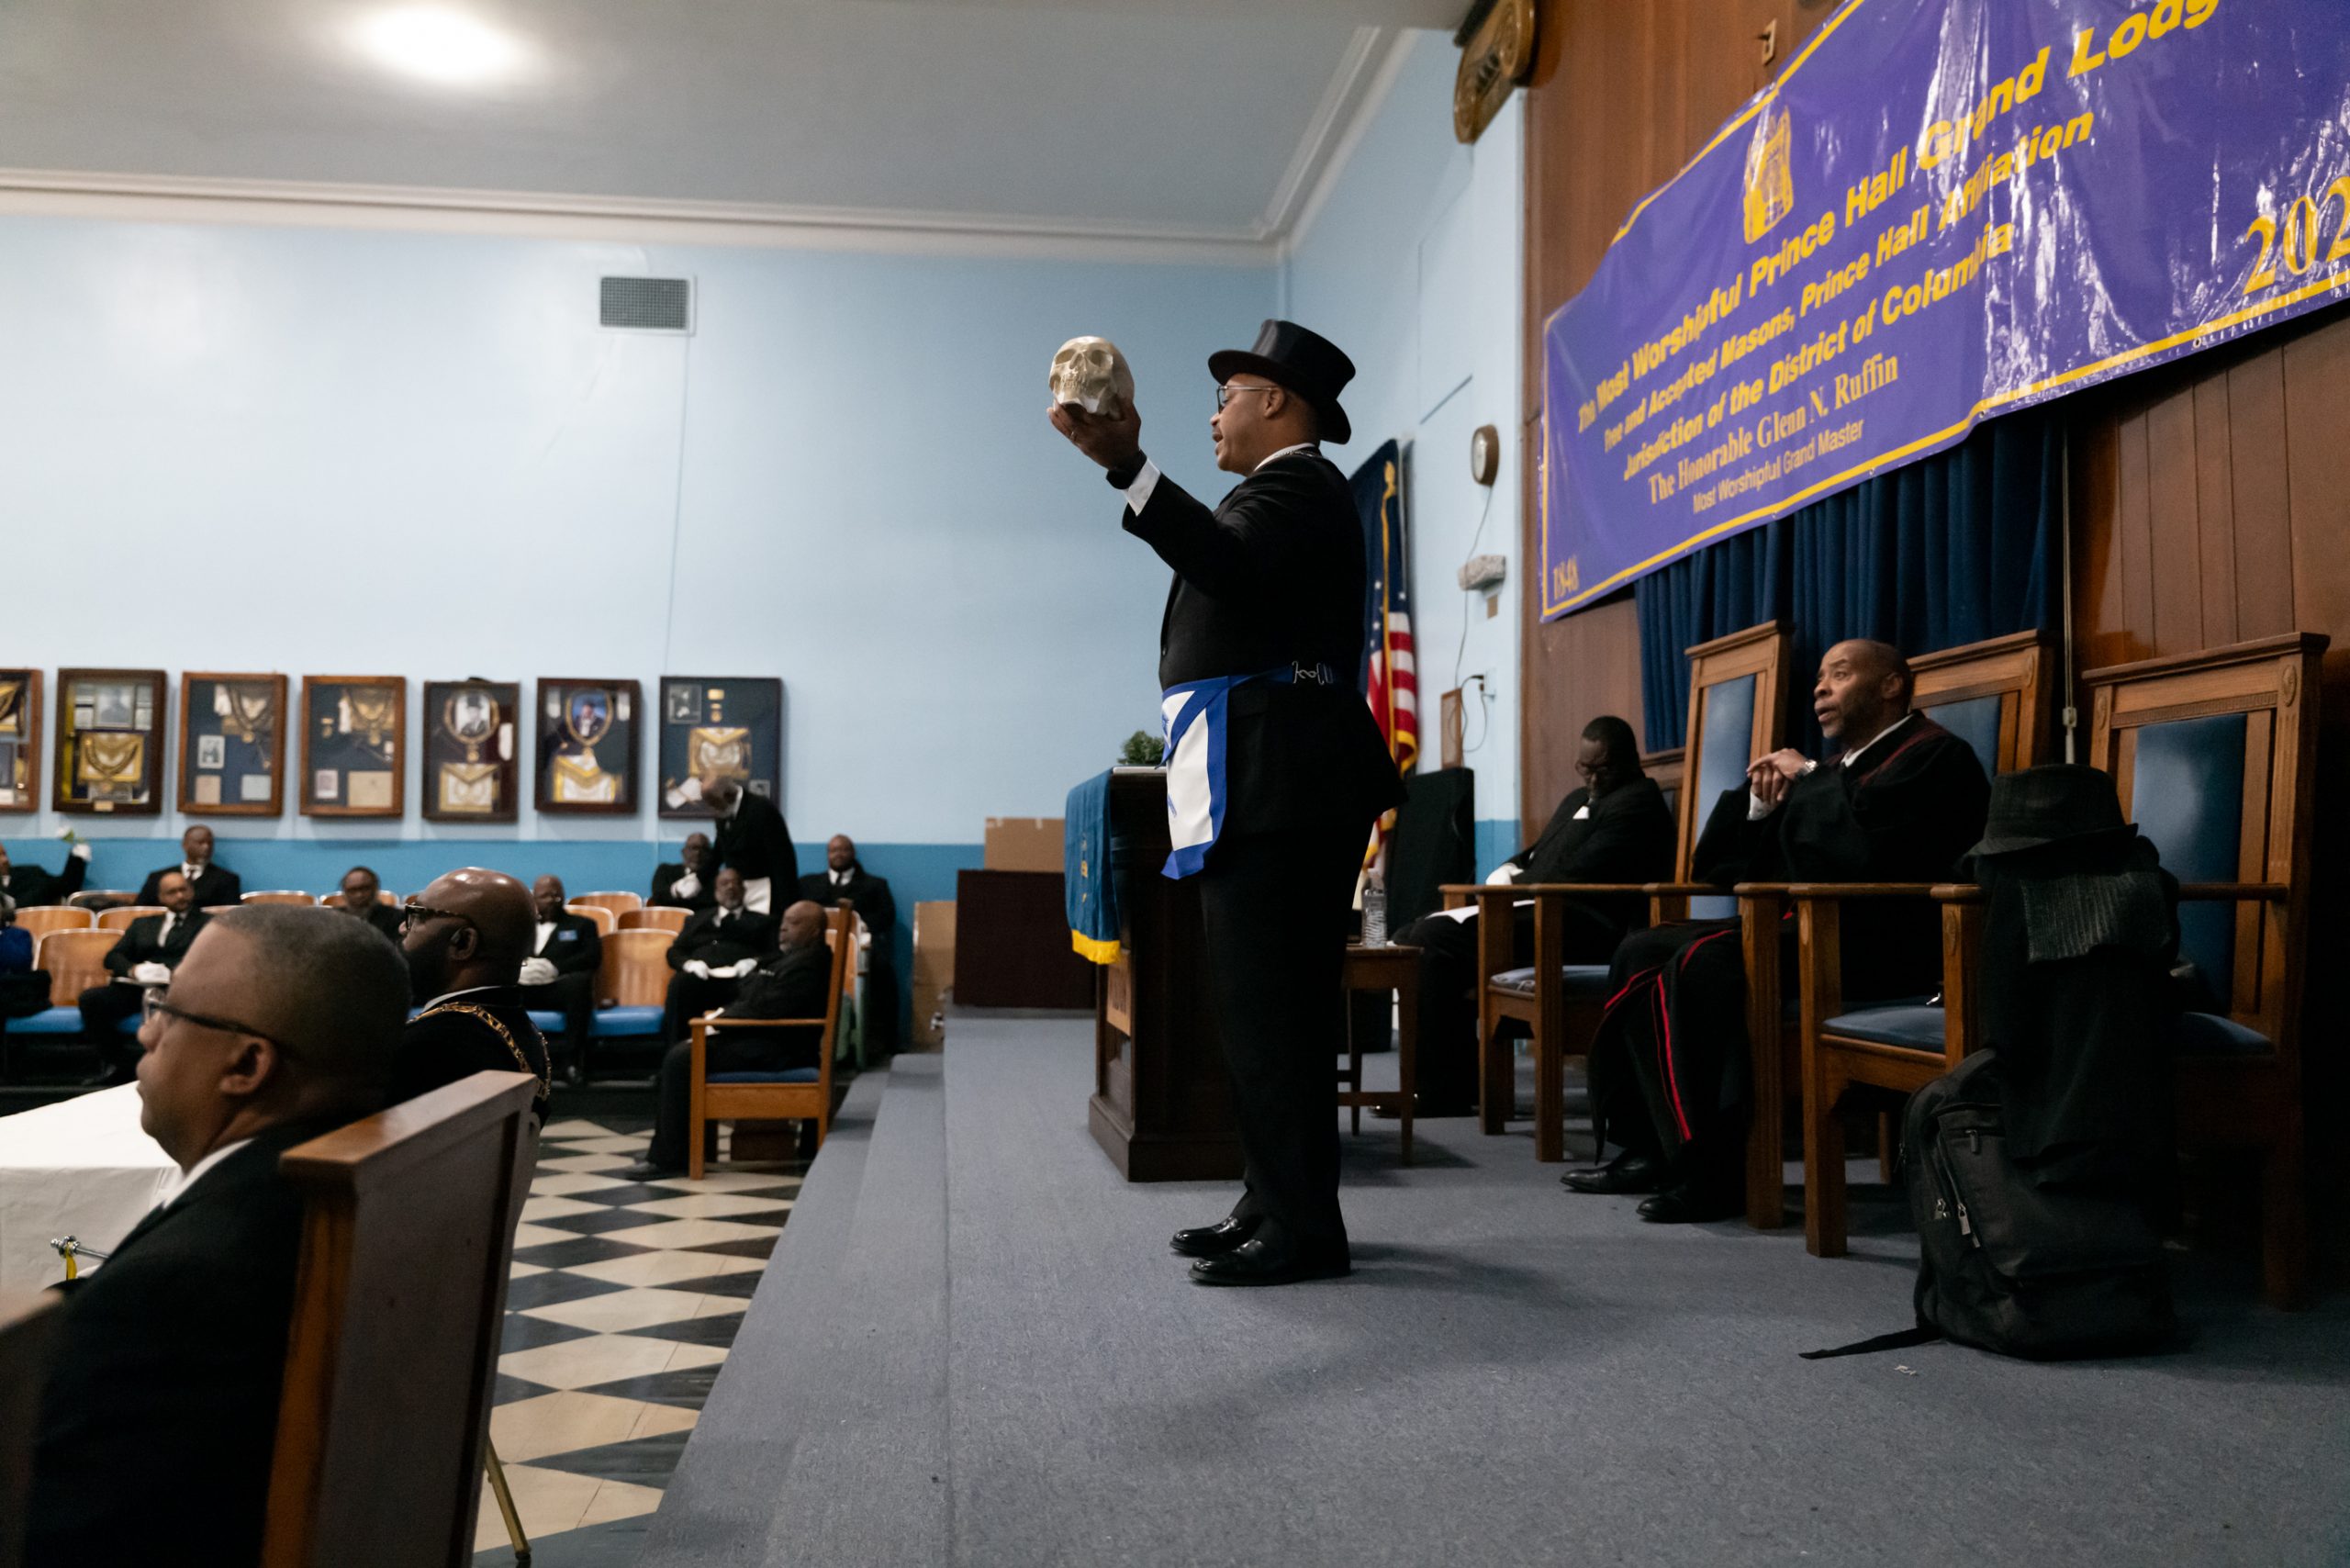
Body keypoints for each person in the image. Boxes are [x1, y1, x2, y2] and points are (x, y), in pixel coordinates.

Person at [1051, 318, 1404, 1286]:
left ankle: (1303, 1227)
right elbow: (1226, 567)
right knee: (1260, 1013)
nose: (1213, 417)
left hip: (1283, 781)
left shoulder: (1300, 485)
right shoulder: (1272, 494)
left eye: (1226, 398)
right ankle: (1273, 1199)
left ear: (1275, 402)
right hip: (1263, 777)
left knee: (1273, 1012)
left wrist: (1130, 466)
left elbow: (1225, 564)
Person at [25, 903, 408, 1568]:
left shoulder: (181, 1285)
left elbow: (68, 1534)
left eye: (168, 1011)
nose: (146, 1032)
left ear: (247, 1065)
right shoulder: (346, 1186)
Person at [1565, 639, 1991, 1222]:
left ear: (1892, 685)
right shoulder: (1837, 769)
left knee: (1702, 966)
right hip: (1813, 931)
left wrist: (1808, 776)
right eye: (1819, 678)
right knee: (1642, 948)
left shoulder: (1937, 757)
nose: (1820, 688)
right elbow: (1731, 869)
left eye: (1839, 675)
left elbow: (1862, 858)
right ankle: (1650, 1146)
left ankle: (1715, 1170)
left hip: (1883, 944)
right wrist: (1761, 809)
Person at [1391, 716, 1675, 1114]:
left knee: (1433, 940)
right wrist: (1509, 868)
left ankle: (1441, 1089)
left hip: (1584, 926)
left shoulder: (1637, 803)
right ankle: (1454, 1082)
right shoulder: (1578, 799)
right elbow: (1537, 853)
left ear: (1631, 761)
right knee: (1413, 934)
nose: (1593, 779)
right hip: (1542, 910)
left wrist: (1516, 882)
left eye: (1604, 770)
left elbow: (1578, 875)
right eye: (1585, 768)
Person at [627, 899, 834, 1179]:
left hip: (782, 1048)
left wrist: (719, 1022)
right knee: (683, 1053)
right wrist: (725, 1016)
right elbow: (748, 992)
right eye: (784, 922)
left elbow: (768, 1007)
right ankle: (680, 1149)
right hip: (764, 1038)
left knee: (681, 1059)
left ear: (815, 931)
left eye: (794, 923)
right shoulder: (788, 958)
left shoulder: (810, 963)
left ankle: (670, 1159)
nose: (783, 929)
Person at [396, 867, 552, 1117]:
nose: (403, 928)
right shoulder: (521, 1029)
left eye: (419, 916)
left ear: (463, 943)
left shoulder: (431, 1046)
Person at [78, 869, 210, 1084]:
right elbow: (113, 957)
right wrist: (133, 970)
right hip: (137, 987)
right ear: (161, 898)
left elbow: (209, 957)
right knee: (92, 1000)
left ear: (191, 891)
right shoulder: (142, 925)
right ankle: (121, 1066)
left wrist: (171, 971)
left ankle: (184, 1072)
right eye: (172, 892)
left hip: (181, 988)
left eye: (183, 890)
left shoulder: (209, 924)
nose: (180, 896)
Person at [799, 834, 898, 1055]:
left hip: (861, 948)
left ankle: (885, 1042)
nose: (838, 854)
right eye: (833, 850)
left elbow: (887, 915)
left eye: (843, 849)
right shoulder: (808, 884)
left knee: (883, 971)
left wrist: (861, 926)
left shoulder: (875, 885)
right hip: (816, 949)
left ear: (853, 853)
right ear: (827, 854)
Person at [662, 866, 775, 1042]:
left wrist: (755, 962)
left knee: (758, 986)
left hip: (742, 979)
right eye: (724, 883)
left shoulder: (763, 922)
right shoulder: (696, 920)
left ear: (744, 890)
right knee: (679, 983)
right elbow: (674, 951)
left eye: (735, 883)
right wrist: (689, 964)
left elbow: (776, 953)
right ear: (715, 891)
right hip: (701, 978)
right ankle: (676, 1049)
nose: (730, 887)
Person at [518, 874, 602, 1081]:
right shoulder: (520, 926)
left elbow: (591, 957)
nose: (553, 900)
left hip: (557, 987)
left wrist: (555, 968)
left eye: (557, 895)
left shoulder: (582, 925)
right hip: (523, 988)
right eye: (546, 896)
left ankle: (572, 1063)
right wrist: (523, 967)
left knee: (580, 984)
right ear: (534, 899)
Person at [705, 773, 798, 913]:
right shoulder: (724, 812)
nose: (713, 810)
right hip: (735, 892)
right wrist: (698, 880)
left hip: (766, 892)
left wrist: (787, 905)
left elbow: (782, 860)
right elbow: (720, 850)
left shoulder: (761, 809)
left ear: (728, 796)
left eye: (715, 805)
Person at [135, 823, 242, 910]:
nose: (206, 847)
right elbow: (140, 910)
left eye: (210, 843)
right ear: (185, 845)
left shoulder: (227, 880)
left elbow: (231, 917)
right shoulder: (158, 878)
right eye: (200, 843)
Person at [0, 834, 93, 907]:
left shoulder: (30, 873)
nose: (5, 860)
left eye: (4, 854)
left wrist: (76, 859)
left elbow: (65, 886)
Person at [333, 864, 407, 941]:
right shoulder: (335, 919)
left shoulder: (395, 918)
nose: (359, 895)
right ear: (344, 892)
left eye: (365, 888)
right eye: (353, 890)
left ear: (375, 888)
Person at [650, 831, 719, 911]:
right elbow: (658, 897)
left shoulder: (717, 877)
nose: (698, 853)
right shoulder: (665, 871)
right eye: (693, 848)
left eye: (704, 849)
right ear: (683, 852)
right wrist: (676, 891)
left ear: (710, 855)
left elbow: (713, 903)